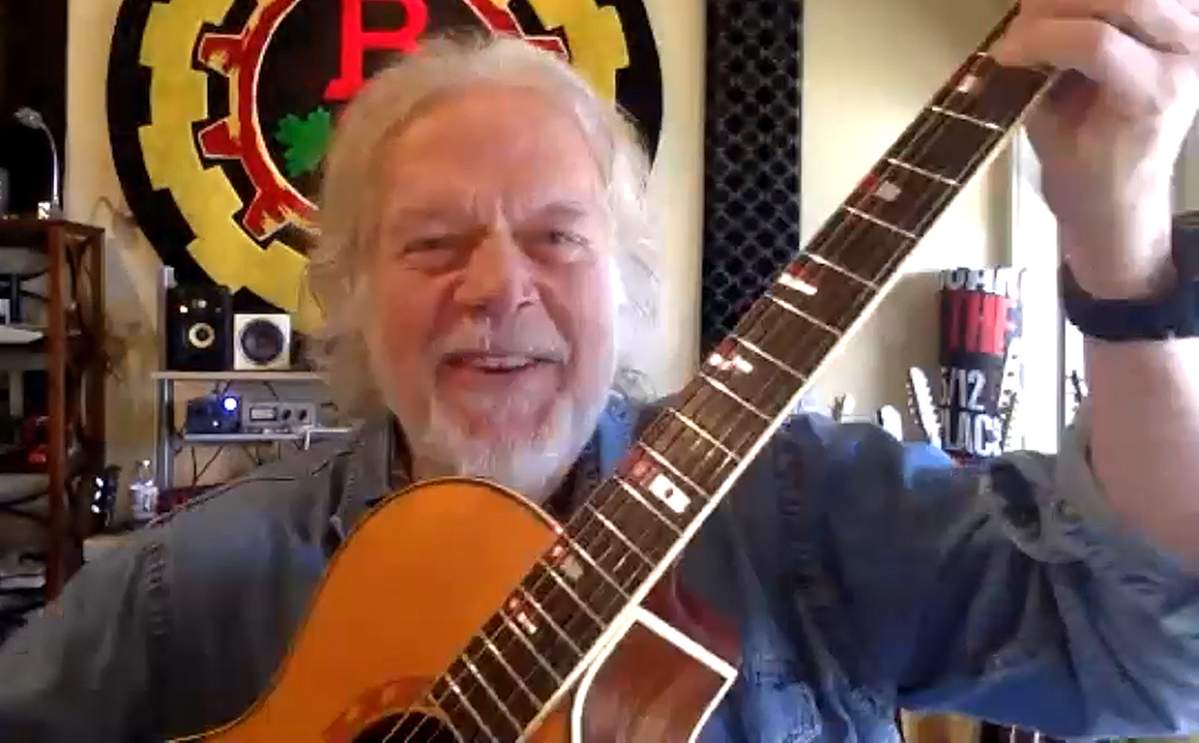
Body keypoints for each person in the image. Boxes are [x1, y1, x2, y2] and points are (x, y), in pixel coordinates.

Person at [3, 1, 1198, 739]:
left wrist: (1115, 245)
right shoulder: (193, 587)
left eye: (555, 236)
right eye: (433, 242)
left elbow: (1153, 663)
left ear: (618, 282)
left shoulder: (804, 510)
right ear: (356, 292)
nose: (497, 287)